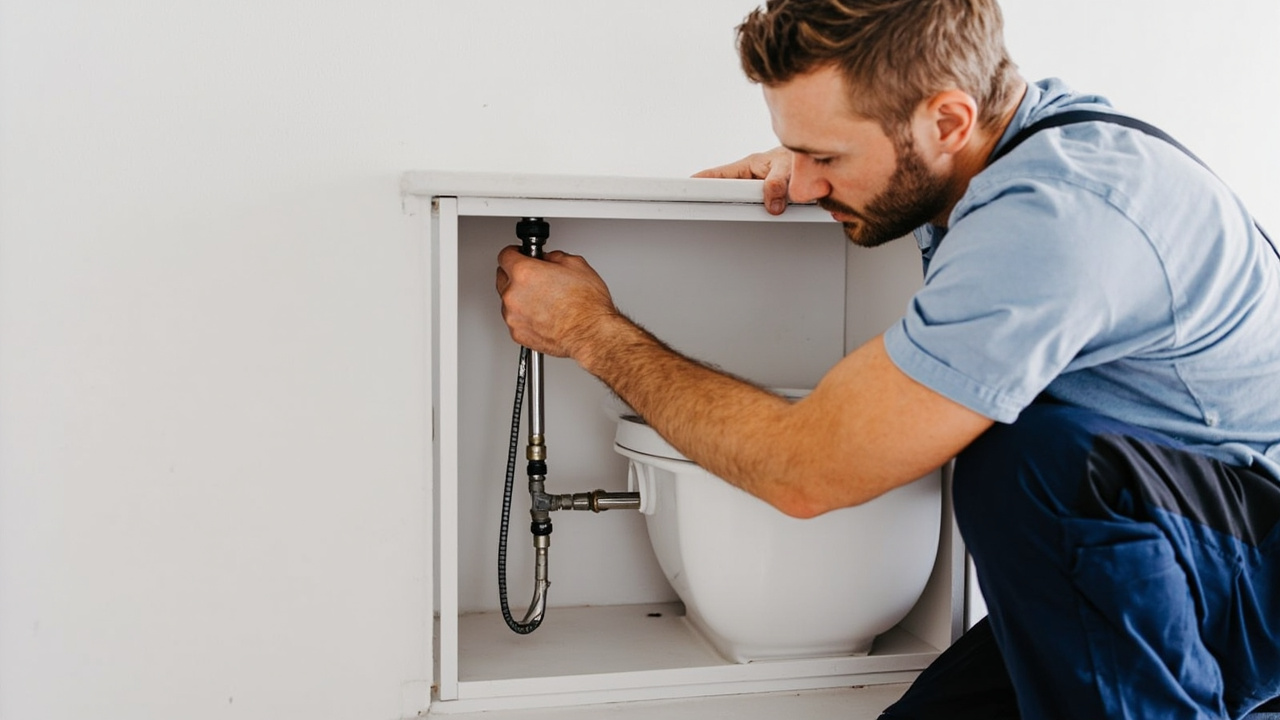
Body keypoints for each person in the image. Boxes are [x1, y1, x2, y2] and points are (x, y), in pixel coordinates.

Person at [495, 0, 1280, 717]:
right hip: (1180, 538)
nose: (800, 179)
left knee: (1024, 464)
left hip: (1252, 562)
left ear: (946, 120)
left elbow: (807, 469)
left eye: (824, 155)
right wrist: (831, 165)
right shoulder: (1006, 149)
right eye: (793, 147)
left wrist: (592, 334)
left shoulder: (1055, 217)